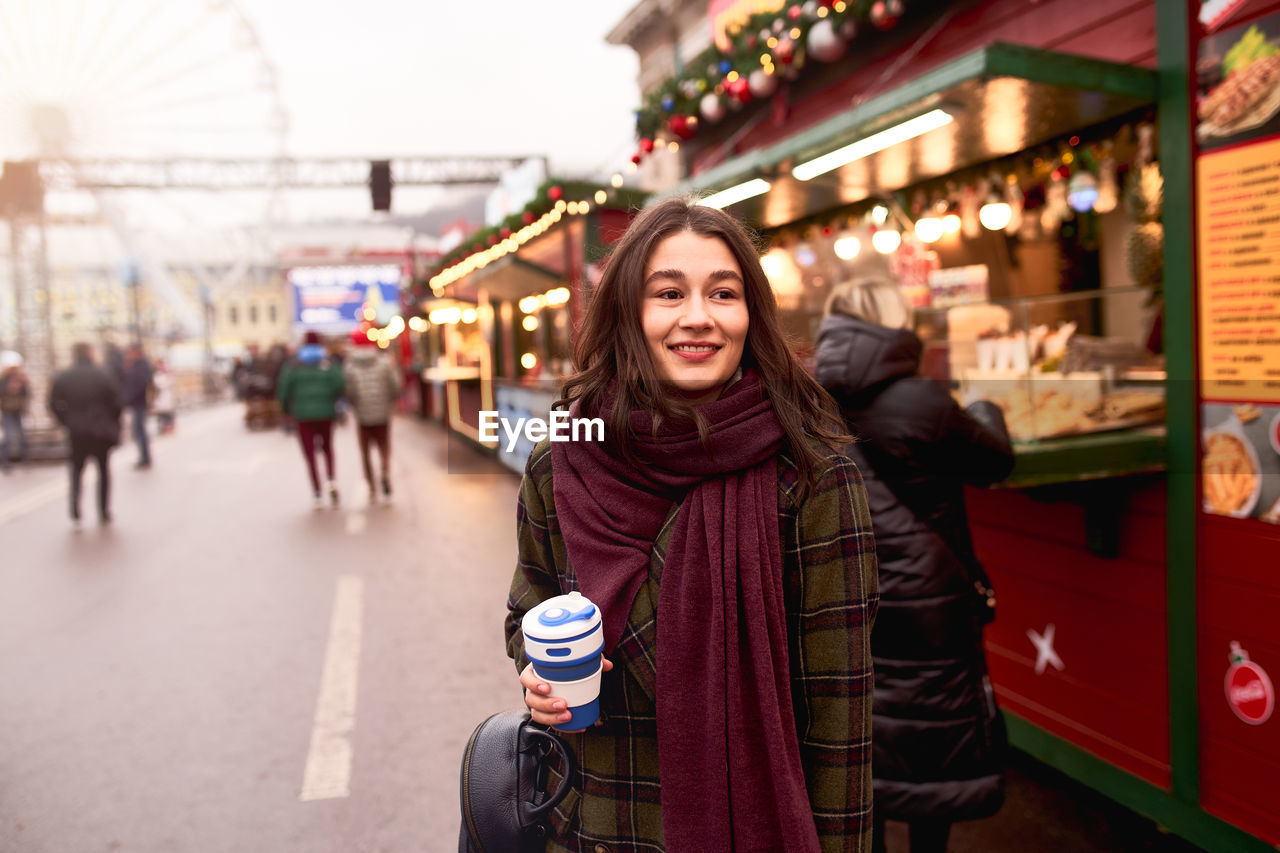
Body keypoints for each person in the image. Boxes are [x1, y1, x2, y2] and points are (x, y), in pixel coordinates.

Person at [504, 198, 880, 852]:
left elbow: (839, 723)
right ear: (628, 312)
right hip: (594, 822)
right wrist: (533, 673)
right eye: (669, 292)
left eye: (723, 293)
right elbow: (526, 606)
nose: (698, 317)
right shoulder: (561, 459)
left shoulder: (813, 477)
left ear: (750, 314)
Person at [813, 278, 1015, 853]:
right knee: (933, 737)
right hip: (932, 600)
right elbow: (996, 461)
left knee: (861, 730)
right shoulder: (925, 400)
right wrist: (986, 406)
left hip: (846, 591)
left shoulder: (807, 400)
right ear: (895, 323)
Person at [49, 343, 122, 525]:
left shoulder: (64, 376)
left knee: (76, 470)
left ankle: (75, 506)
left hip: (76, 430)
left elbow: (52, 402)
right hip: (100, 430)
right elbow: (117, 402)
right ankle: (103, 510)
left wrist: (66, 421)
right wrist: (111, 421)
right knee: (103, 471)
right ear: (90, 353)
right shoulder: (102, 374)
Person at [277, 331, 345, 508]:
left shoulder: (294, 364)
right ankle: (331, 479)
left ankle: (316, 493)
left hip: (303, 415)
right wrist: (332, 399)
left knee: (309, 454)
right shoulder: (328, 362)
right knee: (327, 448)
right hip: (326, 413)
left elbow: (284, 389)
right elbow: (339, 384)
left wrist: (285, 411)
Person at [342, 331, 400, 503]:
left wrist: (355, 405)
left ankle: (371, 486)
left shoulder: (350, 366)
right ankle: (384, 471)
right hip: (382, 412)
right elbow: (395, 386)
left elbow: (349, 391)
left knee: (365, 451)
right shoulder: (384, 363)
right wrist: (388, 402)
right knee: (384, 446)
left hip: (362, 415)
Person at [121, 344, 153, 469]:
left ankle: (145, 458)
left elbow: (139, 385)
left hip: (139, 403)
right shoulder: (137, 365)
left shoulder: (141, 366)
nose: (129, 356)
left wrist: (128, 398)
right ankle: (143, 457)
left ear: (137, 352)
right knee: (138, 431)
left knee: (139, 431)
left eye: (130, 353)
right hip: (137, 403)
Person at [1, 355, 31, 471]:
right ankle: (5, 461)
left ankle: (25, 459)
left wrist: (22, 384)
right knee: (8, 436)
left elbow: (27, 394)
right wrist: (10, 388)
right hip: (7, 410)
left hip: (19, 410)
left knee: (22, 435)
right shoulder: (3, 380)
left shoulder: (21, 379)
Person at [151, 359, 176, 434]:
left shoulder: (168, 374)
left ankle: (169, 426)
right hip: (160, 396)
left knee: (168, 411)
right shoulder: (157, 374)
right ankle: (162, 427)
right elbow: (156, 383)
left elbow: (170, 383)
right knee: (160, 412)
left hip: (166, 396)